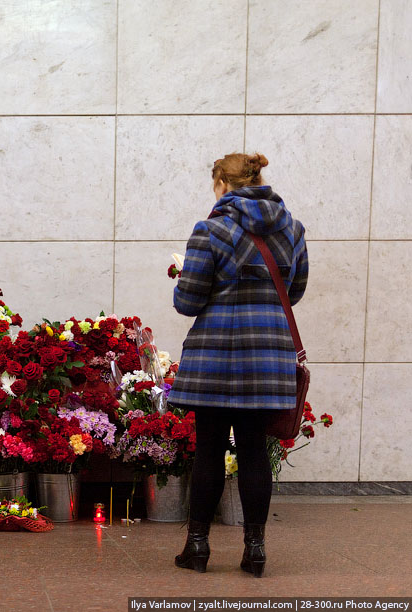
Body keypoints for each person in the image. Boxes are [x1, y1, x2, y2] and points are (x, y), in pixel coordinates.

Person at [169, 153, 308, 577]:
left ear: (223, 185)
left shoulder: (211, 229)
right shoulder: (293, 230)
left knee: (209, 449)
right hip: (267, 356)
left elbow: (187, 301)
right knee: (253, 451)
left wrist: (184, 277)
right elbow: (295, 292)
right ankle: (255, 550)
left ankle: (197, 548)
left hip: (216, 356)